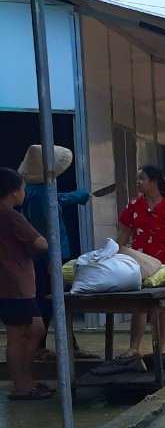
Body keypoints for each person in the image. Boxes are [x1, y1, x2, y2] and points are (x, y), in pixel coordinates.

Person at [18, 144, 98, 361]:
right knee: (53, 302)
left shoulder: (37, 190)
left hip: (48, 256)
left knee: (55, 302)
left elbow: (60, 198)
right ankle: (43, 348)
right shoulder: (42, 195)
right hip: (50, 257)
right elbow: (44, 231)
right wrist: (50, 260)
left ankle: (65, 346)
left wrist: (81, 196)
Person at [118, 165, 165, 359]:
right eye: (138, 179)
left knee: (161, 307)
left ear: (154, 182)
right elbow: (124, 232)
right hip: (138, 263)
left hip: (164, 264)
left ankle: (160, 348)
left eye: (142, 178)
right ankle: (134, 348)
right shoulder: (133, 205)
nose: (138, 182)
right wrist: (113, 255)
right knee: (138, 306)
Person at [0, 167, 53, 401]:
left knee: (35, 330)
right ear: (13, 192)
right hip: (14, 284)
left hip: (13, 283)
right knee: (17, 334)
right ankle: (20, 385)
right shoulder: (10, 215)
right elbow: (40, 243)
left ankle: (25, 379)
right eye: (22, 188)